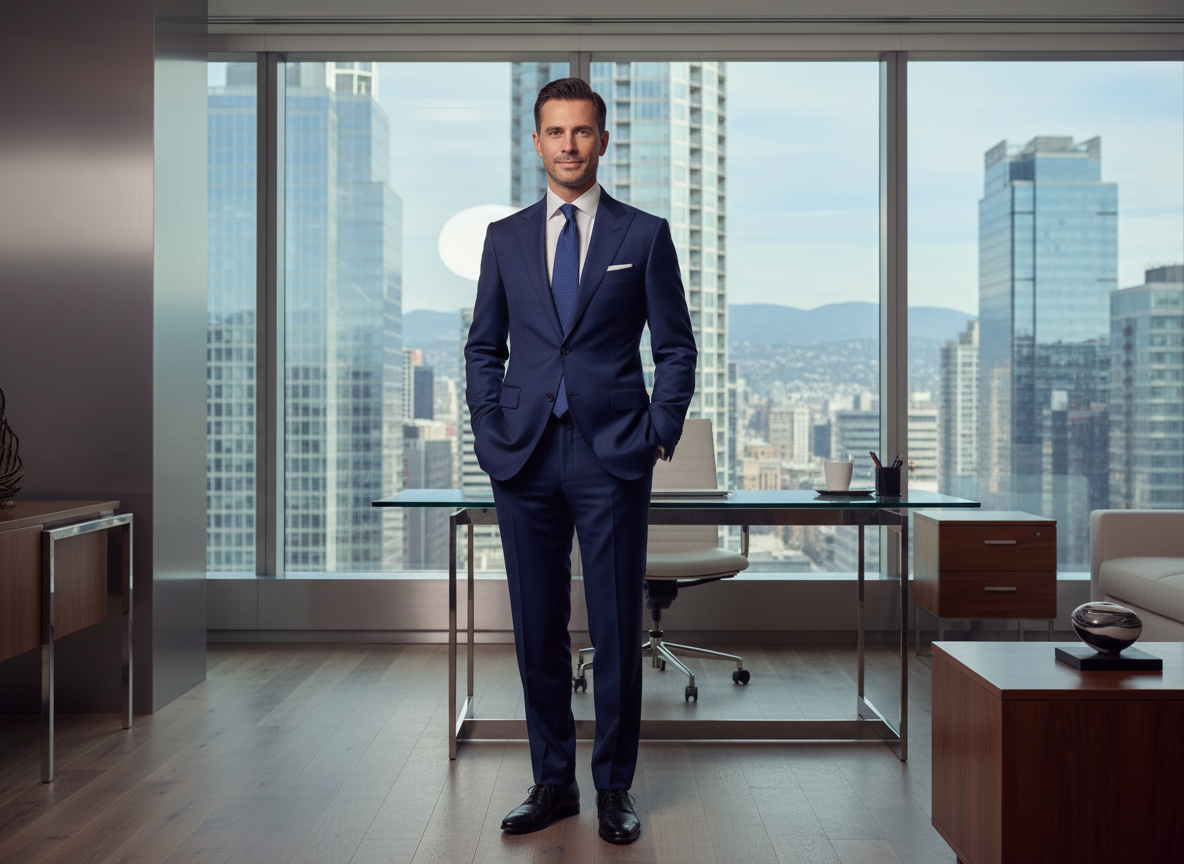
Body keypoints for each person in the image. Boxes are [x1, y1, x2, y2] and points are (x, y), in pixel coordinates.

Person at [464, 77, 696, 845]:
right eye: (555, 132)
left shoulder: (644, 235)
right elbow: (483, 347)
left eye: (583, 131)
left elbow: (674, 347)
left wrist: (658, 430)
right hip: (523, 457)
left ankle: (615, 788)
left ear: (603, 140)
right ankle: (553, 782)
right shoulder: (504, 238)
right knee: (536, 629)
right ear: (537, 143)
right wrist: (490, 427)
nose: (569, 145)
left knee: (616, 628)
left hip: (612, 455)